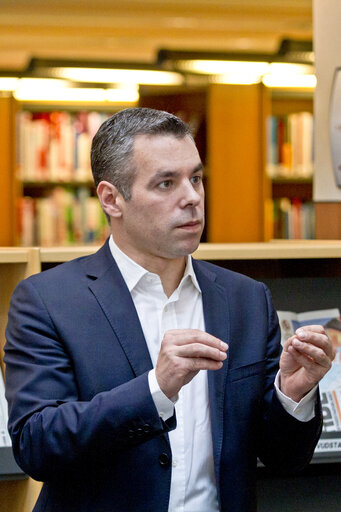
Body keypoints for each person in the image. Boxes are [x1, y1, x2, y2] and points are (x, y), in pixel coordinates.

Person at [4, 108, 334, 512]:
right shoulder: (47, 301)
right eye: (166, 183)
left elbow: (285, 459)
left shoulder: (246, 299)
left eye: (196, 178)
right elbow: (36, 445)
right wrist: (155, 390)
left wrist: (292, 395)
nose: (192, 197)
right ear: (111, 199)